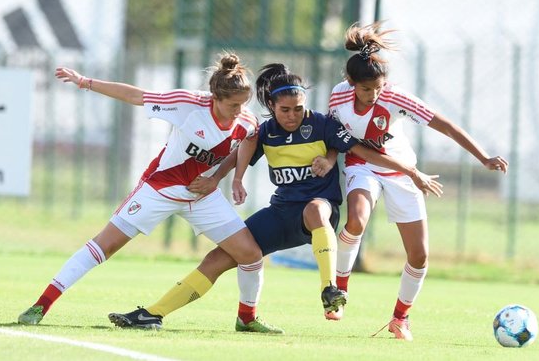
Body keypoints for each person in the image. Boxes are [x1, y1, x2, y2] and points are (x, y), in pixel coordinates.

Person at [107, 63, 442, 333]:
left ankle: (330, 290)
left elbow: (363, 152)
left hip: (319, 214)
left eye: (298, 108)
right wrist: (218, 178)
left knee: (314, 208)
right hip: (281, 214)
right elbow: (237, 153)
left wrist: (411, 172)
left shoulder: (322, 125)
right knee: (220, 257)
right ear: (271, 107)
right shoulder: (265, 133)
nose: (293, 115)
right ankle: (153, 313)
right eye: (285, 110)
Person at [17, 53, 270, 329]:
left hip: (202, 197)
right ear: (215, 97)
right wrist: (85, 82)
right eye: (233, 104)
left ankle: (246, 319)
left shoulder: (245, 119)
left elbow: (251, 136)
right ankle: (42, 304)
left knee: (250, 254)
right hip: (159, 189)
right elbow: (138, 96)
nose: (239, 110)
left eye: (243, 104)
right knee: (104, 246)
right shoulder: (188, 104)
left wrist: (229, 178)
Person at [327, 23, 509, 340]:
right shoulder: (337, 97)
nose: (373, 95)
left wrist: (483, 157)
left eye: (378, 88)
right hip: (362, 165)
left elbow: (446, 125)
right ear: (351, 83)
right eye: (366, 89)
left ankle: (401, 318)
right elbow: (334, 136)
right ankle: (338, 292)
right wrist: (329, 158)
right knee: (355, 220)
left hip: (402, 170)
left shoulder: (396, 97)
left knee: (419, 254)